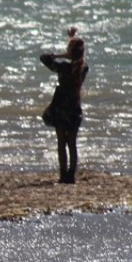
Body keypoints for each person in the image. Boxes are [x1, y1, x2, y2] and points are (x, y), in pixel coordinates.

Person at [40, 27, 89, 184]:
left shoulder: (63, 67)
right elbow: (78, 55)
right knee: (72, 143)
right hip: (74, 108)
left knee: (61, 142)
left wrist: (61, 54)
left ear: (70, 53)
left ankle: (63, 175)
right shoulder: (83, 68)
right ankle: (71, 176)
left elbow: (44, 58)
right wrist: (72, 40)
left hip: (61, 107)